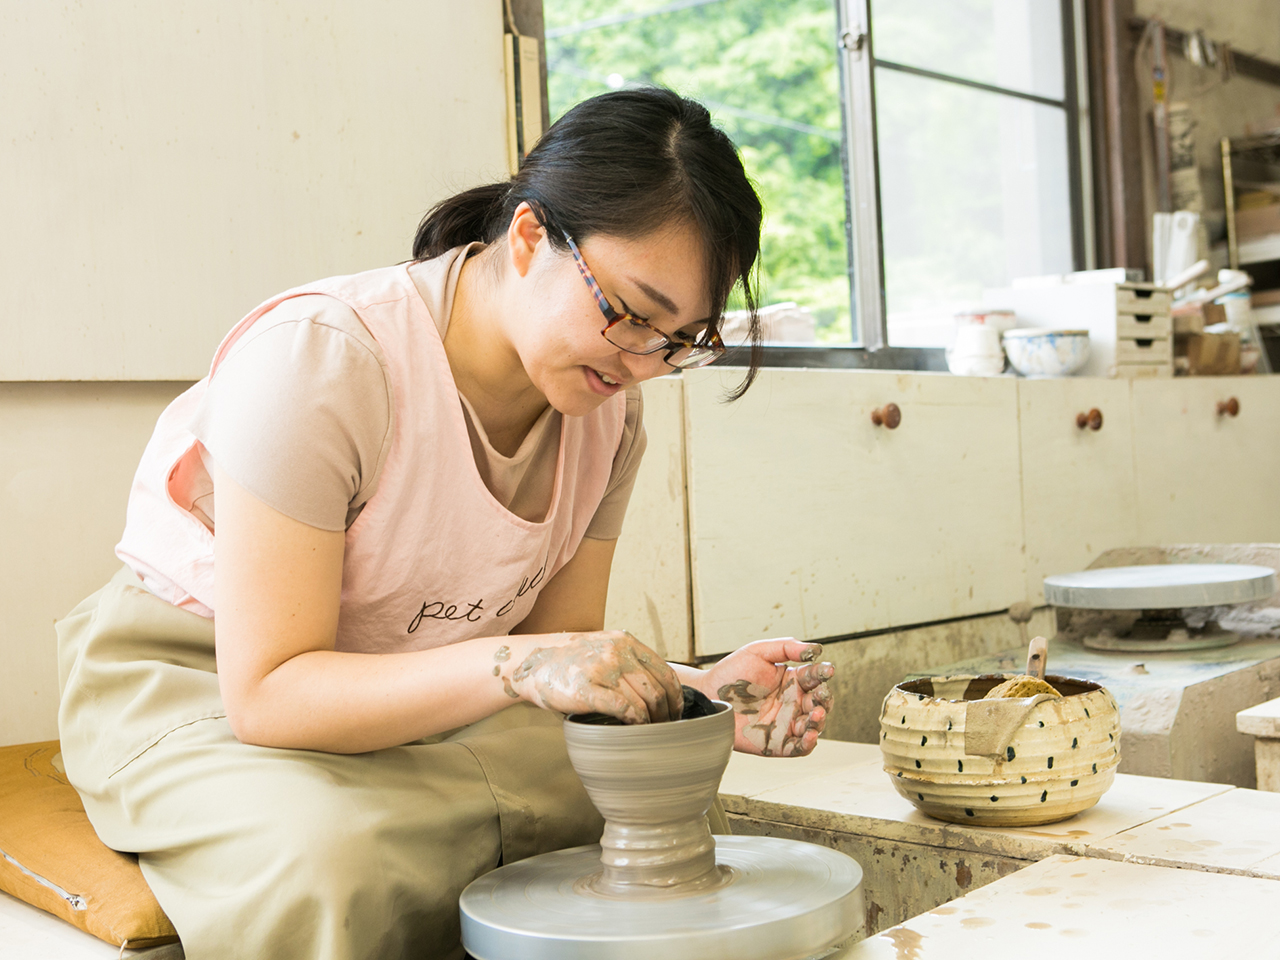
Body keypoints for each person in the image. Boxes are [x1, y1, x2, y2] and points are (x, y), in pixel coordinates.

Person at [55, 87, 835, 960]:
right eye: (630, 314)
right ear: (533, 236)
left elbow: (556, 653)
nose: (645, 363)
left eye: (681, 340)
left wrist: (698, 691)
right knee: (333, 858)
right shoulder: (324, 359)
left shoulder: (608, 409)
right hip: (208, 688)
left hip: (420, 693)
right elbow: (270, 693)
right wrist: (516, 665)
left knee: (631, 801)